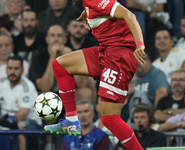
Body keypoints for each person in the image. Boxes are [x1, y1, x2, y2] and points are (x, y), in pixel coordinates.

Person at [44, 0, 146, 149]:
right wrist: (90, 13)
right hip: (106, 50)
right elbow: (107, 13)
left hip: (120, 56)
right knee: (60, 65)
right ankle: (72, 122)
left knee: (110, 119)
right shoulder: (87, 4)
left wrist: (140, 44)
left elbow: (130, 15)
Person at [0, 56, 42, 150]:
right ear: (6, 69)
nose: (12, 72)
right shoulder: (1, 83)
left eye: (16, 69)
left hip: (31, 122)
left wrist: (3, 122)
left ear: (22, 70)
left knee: (19, 126)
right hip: (5, 119)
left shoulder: (28, 87)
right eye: (10, 68)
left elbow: (22, 115)